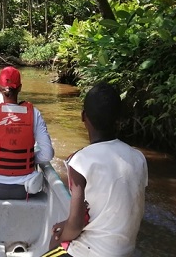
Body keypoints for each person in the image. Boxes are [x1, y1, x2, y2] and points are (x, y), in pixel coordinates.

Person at [43, 82, 147, 257]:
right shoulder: (138, 158)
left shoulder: (81, 161)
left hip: (91, 253)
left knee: (54, 242)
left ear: (83, 116)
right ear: (119, 120)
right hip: (125, 252)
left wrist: (61, 234)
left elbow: (75, 227)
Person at [0, 66, 54, 200]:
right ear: (20, 87)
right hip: (25, 189)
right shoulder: (34, 114)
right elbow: (48, 154)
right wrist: (29, 158)